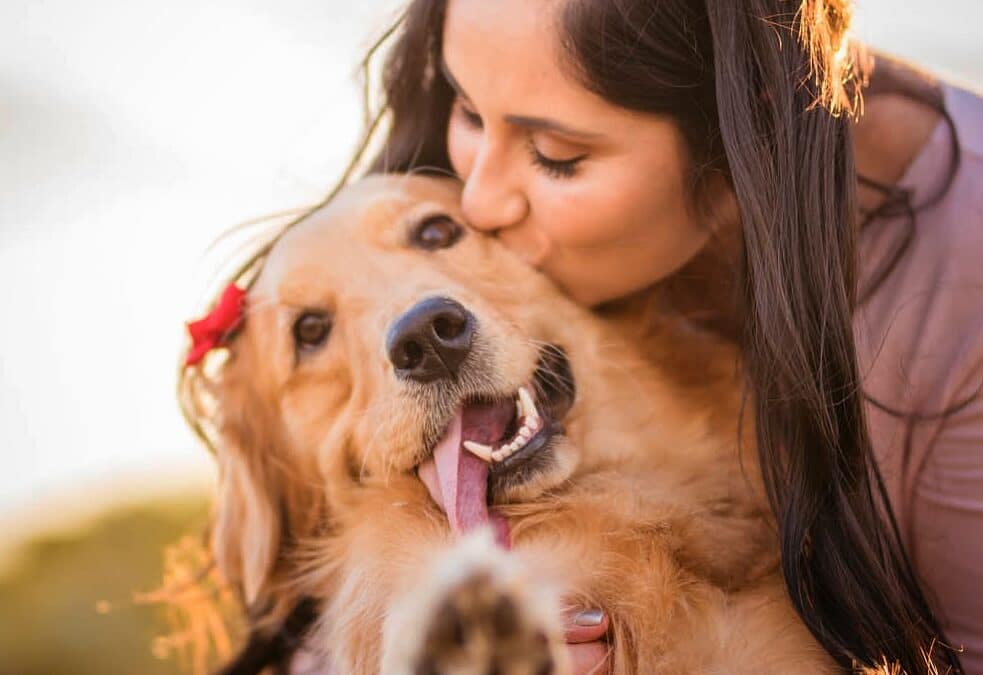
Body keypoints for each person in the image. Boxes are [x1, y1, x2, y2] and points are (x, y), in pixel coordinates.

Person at [282, 0, 983, 673]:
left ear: (747, 133)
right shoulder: (515, 210)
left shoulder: (961, 291)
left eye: (554, 153)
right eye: (467, 108)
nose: (477, 201)